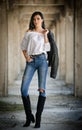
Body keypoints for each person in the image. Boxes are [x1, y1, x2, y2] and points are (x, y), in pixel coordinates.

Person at [20, 11, 50, 128]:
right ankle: (29, 116)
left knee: (42, 89)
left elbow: (47, 48)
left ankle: (38, 119)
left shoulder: (45, 32)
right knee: (23, 89)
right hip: (31, 61)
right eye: (34, 19)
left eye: (38, 18)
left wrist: (45, 34)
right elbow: (23, 46)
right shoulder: (29, 32)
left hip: (42, 60)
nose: (35, 21)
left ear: (42, 20)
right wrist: (26, 57)